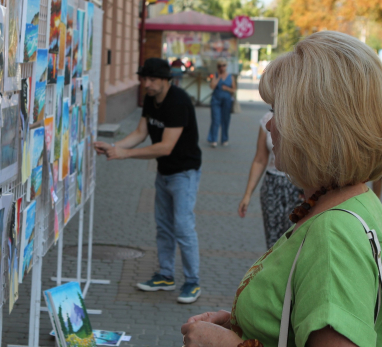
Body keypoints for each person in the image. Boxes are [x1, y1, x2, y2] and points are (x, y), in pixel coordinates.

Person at [180, 31, 382, 347]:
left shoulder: (333, 234)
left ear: (314, 124)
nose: (269, 124)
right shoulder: (356, 201)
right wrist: (247, 327)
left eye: (277, 109)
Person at [94, 57, 202, 304]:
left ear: (167, 80)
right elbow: (140, 133)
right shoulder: (151, 101)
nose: (147, 84)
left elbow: (165, 147)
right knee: (164, 226)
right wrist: (113, 146)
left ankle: (193, 282)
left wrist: (124, 154)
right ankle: (165, 275)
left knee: (183, 227)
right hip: (164, 173)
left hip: (184, 173)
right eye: (145, 79)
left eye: (153, 79)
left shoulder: (178, 102)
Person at [238, 111, 302, 249]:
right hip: (272, 185)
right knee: (273, 243)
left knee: (296, 241)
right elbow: (260, 159)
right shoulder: (268, 118)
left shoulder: (302, 113)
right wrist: (247, 195)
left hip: (299, 186)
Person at [208, 58, 236, 148]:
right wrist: (218, 77)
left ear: (226, 66)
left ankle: (224, 139)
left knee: (225, 120)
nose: (222, 67)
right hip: (216, 100)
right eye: (219, 66)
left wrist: (227, 89)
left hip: (227, 101)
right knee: (216, 120)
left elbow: (234, 89)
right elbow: (212, 86)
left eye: (223, 65)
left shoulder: (230, 77)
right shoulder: (215, 75)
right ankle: (213, 139)